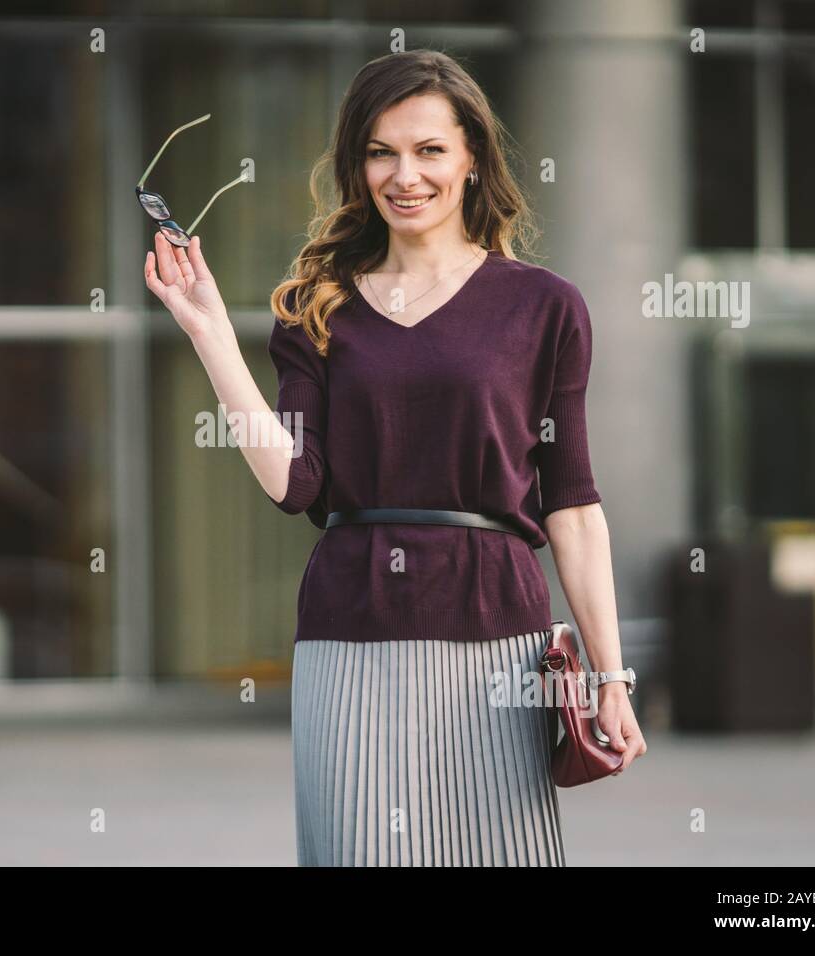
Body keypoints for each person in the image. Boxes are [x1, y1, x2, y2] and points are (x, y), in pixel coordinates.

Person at [143, 49, 646, 866]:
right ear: (357, 165)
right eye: (381, 152)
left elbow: (574, 506)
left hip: (499, 641)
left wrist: (611, 678)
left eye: (429, 150)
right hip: (351, 633)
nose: (403, 175)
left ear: (472, 159)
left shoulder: (543, 306)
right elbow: (291, 482)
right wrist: (208, 334)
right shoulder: (316, 304)